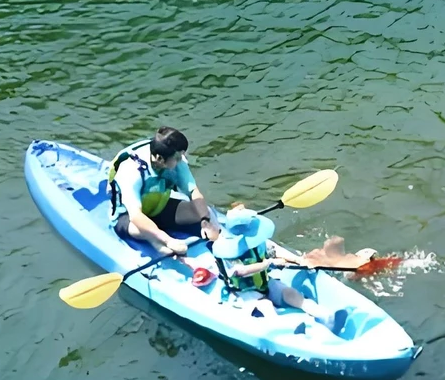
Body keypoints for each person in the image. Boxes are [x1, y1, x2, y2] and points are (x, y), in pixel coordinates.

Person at [200, 207, 348, 335]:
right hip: (243, 292)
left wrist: (298, 260)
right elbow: (240, 271)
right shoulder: (226, 250)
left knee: (290, 293)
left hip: (264, 282)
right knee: (265, 305)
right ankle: (284, 331)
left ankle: (326, 317)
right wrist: (268, 264)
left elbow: (275, 250)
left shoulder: (256, 241)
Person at [108, 127, 209, 256]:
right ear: (160, 159)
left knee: (200, 212)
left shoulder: (175, 161)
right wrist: (167, 239)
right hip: (128, 217)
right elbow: (136, 215)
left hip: (158, 208)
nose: (181, 161)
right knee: (137, 227)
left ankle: (157, 233)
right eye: (177, 158)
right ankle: (153, 239)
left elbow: (193, 191)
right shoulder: (131, 171)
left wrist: (206, 222)